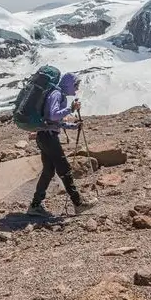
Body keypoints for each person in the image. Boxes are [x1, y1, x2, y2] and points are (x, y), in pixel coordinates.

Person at [27, 71, 98, 217]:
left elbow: (54, 121)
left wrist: (73, 126)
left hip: (44, 136)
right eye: (75, 85)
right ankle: (78, 203)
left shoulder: (56, 94)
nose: (76, 88)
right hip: (49, 138)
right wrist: (71, 109)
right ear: (68, 84)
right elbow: (53, 115)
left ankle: (35, 205)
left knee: (48, 171)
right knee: (64, 169)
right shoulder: (57, 94)